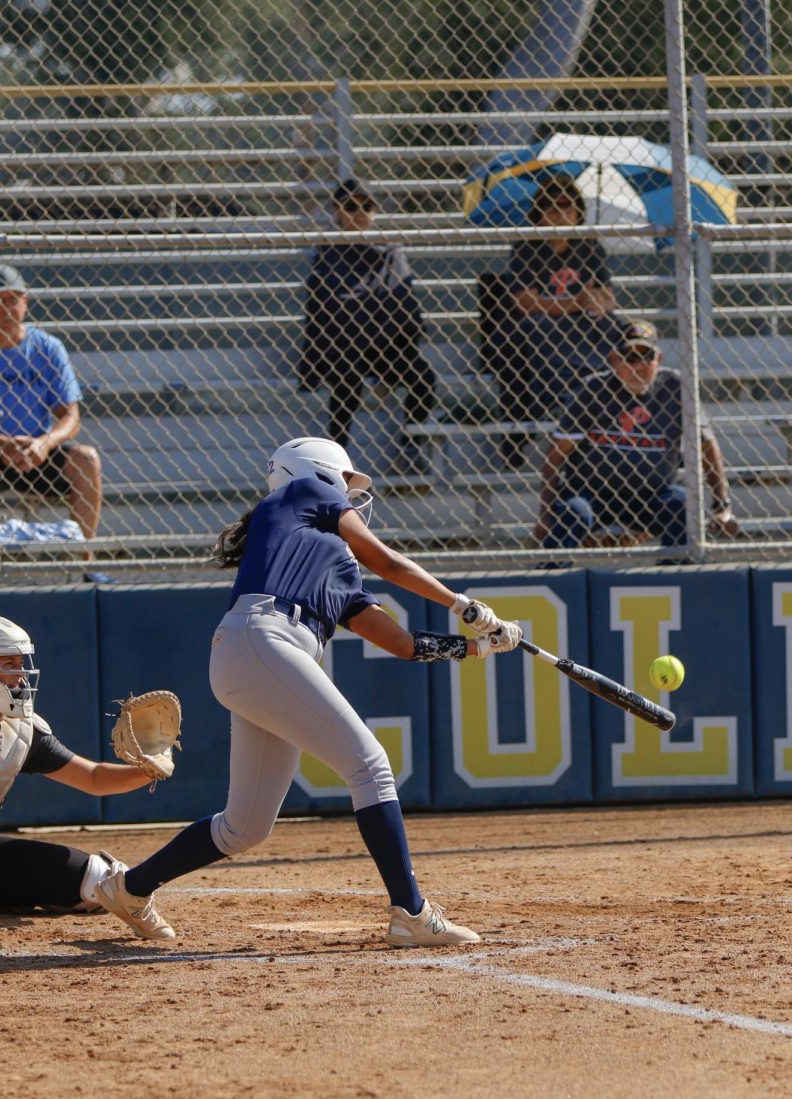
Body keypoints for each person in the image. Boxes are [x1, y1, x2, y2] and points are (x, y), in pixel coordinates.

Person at [94, 436, 523, 945]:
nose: (350, 494)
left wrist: (478, 648)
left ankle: (130, 888)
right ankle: (410, 912)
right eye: (346, 482)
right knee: (369, 765)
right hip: (265, 638)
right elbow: (390, 563)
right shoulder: (304, 490)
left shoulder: (332, 564)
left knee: (244, 827)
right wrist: (464, 605)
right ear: (318, 471)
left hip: (258, 653)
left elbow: (401, 643)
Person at [0, 614, 170, 921]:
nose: (20, 676)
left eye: (21, 663)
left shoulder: (20, 731)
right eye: (8, 664)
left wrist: (147, 770)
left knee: (99, 880)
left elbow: (94, 778)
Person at [534, 320, 739, 554]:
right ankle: (553, 574)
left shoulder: (675, 387)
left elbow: (706, 445)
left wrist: (723, 506)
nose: (638, 366)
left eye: (646, 357)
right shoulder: (592, 390)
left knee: (683, 505)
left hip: (651, 497)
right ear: (614, 359)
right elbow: (556, 454)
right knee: (572, 512)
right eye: (629, 357)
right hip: (591, 495)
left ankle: (677, 577)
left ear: (658, 359)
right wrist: (545, 514)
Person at [298, 179, 437, 473]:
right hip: (346, 344)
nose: (360, 212)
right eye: (351, 206)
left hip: (387, 343)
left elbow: (403, 298)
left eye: (367, 206)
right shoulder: (329, 250)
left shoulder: (389, 248)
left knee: (423, 377)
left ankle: (409, 449)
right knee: (346, 380)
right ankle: (335, 463)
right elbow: (322, 307)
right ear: (336, 211)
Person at [498, 176, 618, 467]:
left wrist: (596, 303)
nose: (559, 212)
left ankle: (610, 408)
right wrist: (575, 302)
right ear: (538, 214)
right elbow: (526, 303)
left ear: (577, 211)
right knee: (535, 329)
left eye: (566, 205)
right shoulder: (527, 247)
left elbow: (608, 298)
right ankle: (556, 403)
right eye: (550, 206)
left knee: (622, 329)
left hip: (583, 324)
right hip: (544, 326)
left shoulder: (588, 245)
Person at [0, 264, 103, 553]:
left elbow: (70, 416)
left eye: (12, 299)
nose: (6, 309)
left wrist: (44, 443)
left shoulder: (46, 347)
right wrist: (1, 443)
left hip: (37, 452)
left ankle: (85, 560)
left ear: (26, 302)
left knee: (86, 459)